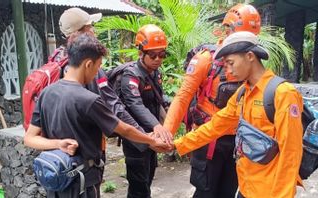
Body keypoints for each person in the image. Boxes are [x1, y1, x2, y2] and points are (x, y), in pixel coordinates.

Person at [24, 33, 169, 198]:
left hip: (56, 179)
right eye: (98, 67)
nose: (97, 74)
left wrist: (57, 144)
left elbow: (29, 138)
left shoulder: (46, 93)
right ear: (88, 64)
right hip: (81, 181)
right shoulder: (89, 100)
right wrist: (152, 141)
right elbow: (124, 129)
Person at [173, 31, 303, 198]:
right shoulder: (243, 92)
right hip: (245, 188)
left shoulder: (283, 93)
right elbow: (215, 126)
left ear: (250, 56)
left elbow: (290, 154)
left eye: (230, 63)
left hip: (269, 191)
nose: (227, 71)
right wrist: (177, 145)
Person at [163, 4, 261, 198]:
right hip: (208, 139)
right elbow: (183, 96)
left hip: (238, 141)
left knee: (228, 191)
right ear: (227, 31)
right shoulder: (205, 59)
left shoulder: (252, 63)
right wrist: (167, 134)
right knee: (205, 192)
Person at [54, 7, 152, 154]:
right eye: (90, 27)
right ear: (80, 34)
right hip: (84, 151)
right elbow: (113, 107)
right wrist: (145, 139)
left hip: (57, 151)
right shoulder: (89, 66)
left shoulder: (58, 61)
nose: (94, 31)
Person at [111, 24, 173, 198]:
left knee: (148, 179)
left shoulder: (154, 73)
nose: (158, 59)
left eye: (162, 54)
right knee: (139, 185)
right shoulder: (131, 75)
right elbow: (134, 104)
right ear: (140, 53)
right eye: (152, 55)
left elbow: (158, 99)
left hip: (152, 135)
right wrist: (156, 126)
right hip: (135, 138)